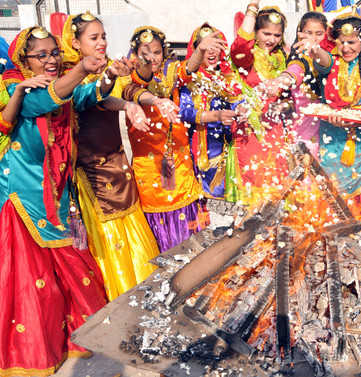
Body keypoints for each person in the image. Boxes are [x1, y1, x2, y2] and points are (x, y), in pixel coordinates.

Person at [0, 25, 123, 376]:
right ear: (24, 60)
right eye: (41, 55)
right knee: (35, 288)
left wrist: (107, 76)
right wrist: (81, 68)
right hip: (22, 202)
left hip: (57, 197)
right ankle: (32, 354)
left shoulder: (62, 87)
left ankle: (80, 340)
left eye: (54, 53)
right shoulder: (15, 88)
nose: (51, 60)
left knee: (76, 272)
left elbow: (84, 96)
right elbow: (48, 97)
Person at [60, 12, 161, 301]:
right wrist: (111, 80)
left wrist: (133, 103)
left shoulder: (104, 68)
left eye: (103, 36)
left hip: (119, 167)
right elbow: (91, 96)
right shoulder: (68, 75)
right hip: (92, 174)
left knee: (134, 234)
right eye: (94, 38)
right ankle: (118, 301)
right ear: (75, 43)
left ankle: (145, 295)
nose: (102, 42)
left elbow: (116, 94)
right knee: (109, 243)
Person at [122, 25, 222, 251]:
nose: (151, 58)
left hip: (178, 160)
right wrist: (157, 100)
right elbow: (138, 87)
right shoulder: (129, 79)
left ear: (164, 52)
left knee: (185, 213)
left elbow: (188, 68)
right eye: (144, 53)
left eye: (156, 52)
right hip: (149, 165)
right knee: (159, 214)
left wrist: (200, 51)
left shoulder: (171, 71)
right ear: (135, 54)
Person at [309, 15, 361, 227]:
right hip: (330, 137)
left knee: (357, 197)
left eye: (351, 42)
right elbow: (323, 61)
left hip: (358, 141)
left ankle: (358, 236)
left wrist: (347, 120)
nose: (345, 47)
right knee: (329, 190)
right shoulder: (334, 61)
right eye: (341, 42)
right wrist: (315, 49)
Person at [230, 1, 291, 205]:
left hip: (276, 131)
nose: (272, 40)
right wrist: (252, 8)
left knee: (277, 188)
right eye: (266, 33)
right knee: (255, 190)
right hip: (250, 134)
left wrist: (283, 105)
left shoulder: (282, 57)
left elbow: (289, 96)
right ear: (255, 32)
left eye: (277, 35)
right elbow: (240, 44)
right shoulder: (248, 58)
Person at [179, 23, 243, 201]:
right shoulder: (191, 79)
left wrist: (242, 109)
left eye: (217, 47)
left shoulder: (229, 77)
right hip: (201, 151)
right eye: (207, 48)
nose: (213, 53)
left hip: (228, 150)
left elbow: (239, 103)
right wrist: (217, 116)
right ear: (197, 50)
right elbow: (185, 113)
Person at [263, 11, 330, 158]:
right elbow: (294, 71)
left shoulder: (333, 57)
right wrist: (280, 81)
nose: (313, 39)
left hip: (332, 133)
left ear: (327, 33)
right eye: (308, 33)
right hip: (304, 132)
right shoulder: (298, 57)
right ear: (299, 34)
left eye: (319, 33)